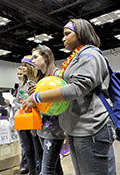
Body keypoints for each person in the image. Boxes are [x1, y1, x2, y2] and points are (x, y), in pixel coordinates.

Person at [23, 19, 116, 175]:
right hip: (77, 128)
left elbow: (78, 87)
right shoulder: (76, 57)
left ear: (81, 33)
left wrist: (37, 97)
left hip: (91, 127)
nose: (63, 38)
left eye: (67, 34)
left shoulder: (90, 54)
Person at [28, 44, 65, 175]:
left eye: (35, 57)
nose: (32, 61)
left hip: (54, 128)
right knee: (55, 167)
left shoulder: (59, 74)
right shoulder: (40, 79)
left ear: (46, 57)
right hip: (42, 127)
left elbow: (64, 99)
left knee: (47, 170)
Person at [15, 56, 43, 175]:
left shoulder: (38, 83)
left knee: (38, 153)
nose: (23, 68)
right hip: (23, 121)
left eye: (25, 65)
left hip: (34, 122)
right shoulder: (22, 84)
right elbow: (17, 102)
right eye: (22, 65)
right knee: (28, 152)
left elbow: (40, 104)